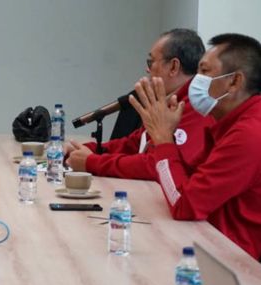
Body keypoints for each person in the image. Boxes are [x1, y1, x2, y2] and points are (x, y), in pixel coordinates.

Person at [130, 33, 261, 259]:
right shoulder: (229, 122)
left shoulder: (249, 133)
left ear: (234, 82)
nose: (195, 81)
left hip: (235, 262)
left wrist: (163, 139)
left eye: (204, 71)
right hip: (210, 244)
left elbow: (185, 205)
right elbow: (190, 178)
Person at [66, 29, 213, 180]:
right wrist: (85, 150)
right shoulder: (170, 101)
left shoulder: (196, 107)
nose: (147, 69)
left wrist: (93, 162)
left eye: (151, 62)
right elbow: (135, 143)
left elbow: (157, 166)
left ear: (173, 67)